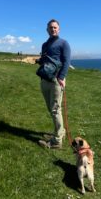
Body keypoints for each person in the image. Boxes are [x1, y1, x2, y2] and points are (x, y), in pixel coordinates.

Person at [37, 19, 71, 149]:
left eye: (55, 27)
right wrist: (39, 61)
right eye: (50, 27)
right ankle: (60, 132)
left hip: (57, 81)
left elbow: (67, 61)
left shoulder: (64, 43)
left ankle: (57, 141)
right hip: (44, 80)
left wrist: (61, 77)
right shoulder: (45, 44)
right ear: (47, 30)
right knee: (51, 109)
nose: (53, 29)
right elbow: (45, 60)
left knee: (55, 110)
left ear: (59, 29)